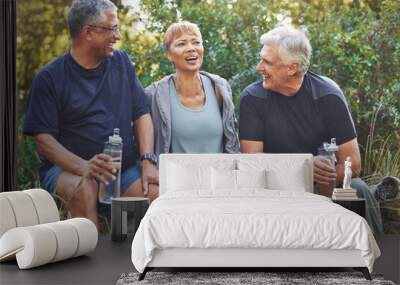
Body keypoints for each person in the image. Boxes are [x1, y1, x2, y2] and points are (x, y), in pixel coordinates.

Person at [23, 0, 158, 228]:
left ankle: (134, 259)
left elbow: (141, 113)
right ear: (88, 32)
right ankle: (89, 258)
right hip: (68, 170)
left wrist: (147, 160)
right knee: (83, 190)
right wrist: (83, 166)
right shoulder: (49, 78)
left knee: (156, 193)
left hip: (123, 171)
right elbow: (43, 141)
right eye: (112, 28)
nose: (117, 35)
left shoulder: (122, 63)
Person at [239, 25, 383, 234]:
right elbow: (253, 164)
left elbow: (354, 164)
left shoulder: (328, 95)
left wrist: (325, 175)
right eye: (261, 59)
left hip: (324, 183)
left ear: (292, 67)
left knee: (358, 189)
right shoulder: (252, 99)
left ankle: (375, 261)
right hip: (276, 186)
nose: (259, 67)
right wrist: (304, 167)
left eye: (267, 62)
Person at [145, 21, 239, 157]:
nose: (191, 48)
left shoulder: (220, 87)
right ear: (168, 54)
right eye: (181, 44)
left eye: (196, 42)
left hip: (218, 176)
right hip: (174, 177)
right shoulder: (153, 94)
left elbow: (231, 143)